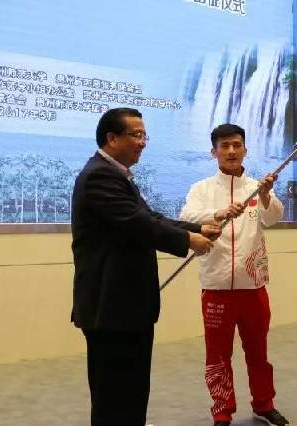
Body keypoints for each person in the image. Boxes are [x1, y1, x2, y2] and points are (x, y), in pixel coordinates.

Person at [71, 107, 220, 426]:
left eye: (144, 135)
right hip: (110, 308)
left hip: (127, 307)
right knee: (114, 394)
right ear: (112, 138)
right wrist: (188, 240)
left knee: (132, 389)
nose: (142, 142)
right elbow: (136, 223)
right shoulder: (99, 176)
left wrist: (196, 228)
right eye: (135, 135)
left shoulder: (116, 174)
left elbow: (148, 217)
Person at [180, 123, 289, 426]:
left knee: (258, 352)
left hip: (253, 288)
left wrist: (265, 196)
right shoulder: (201, 189)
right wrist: (216, 213)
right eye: (224, 146)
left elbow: (273, 217)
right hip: (216, 288)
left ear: (245, 149)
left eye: (236, 145)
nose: (231, 151)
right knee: (217, 356)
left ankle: (264, 405)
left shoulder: (257, 186)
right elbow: (186, 217)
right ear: (213, 151)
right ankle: (222, 411)